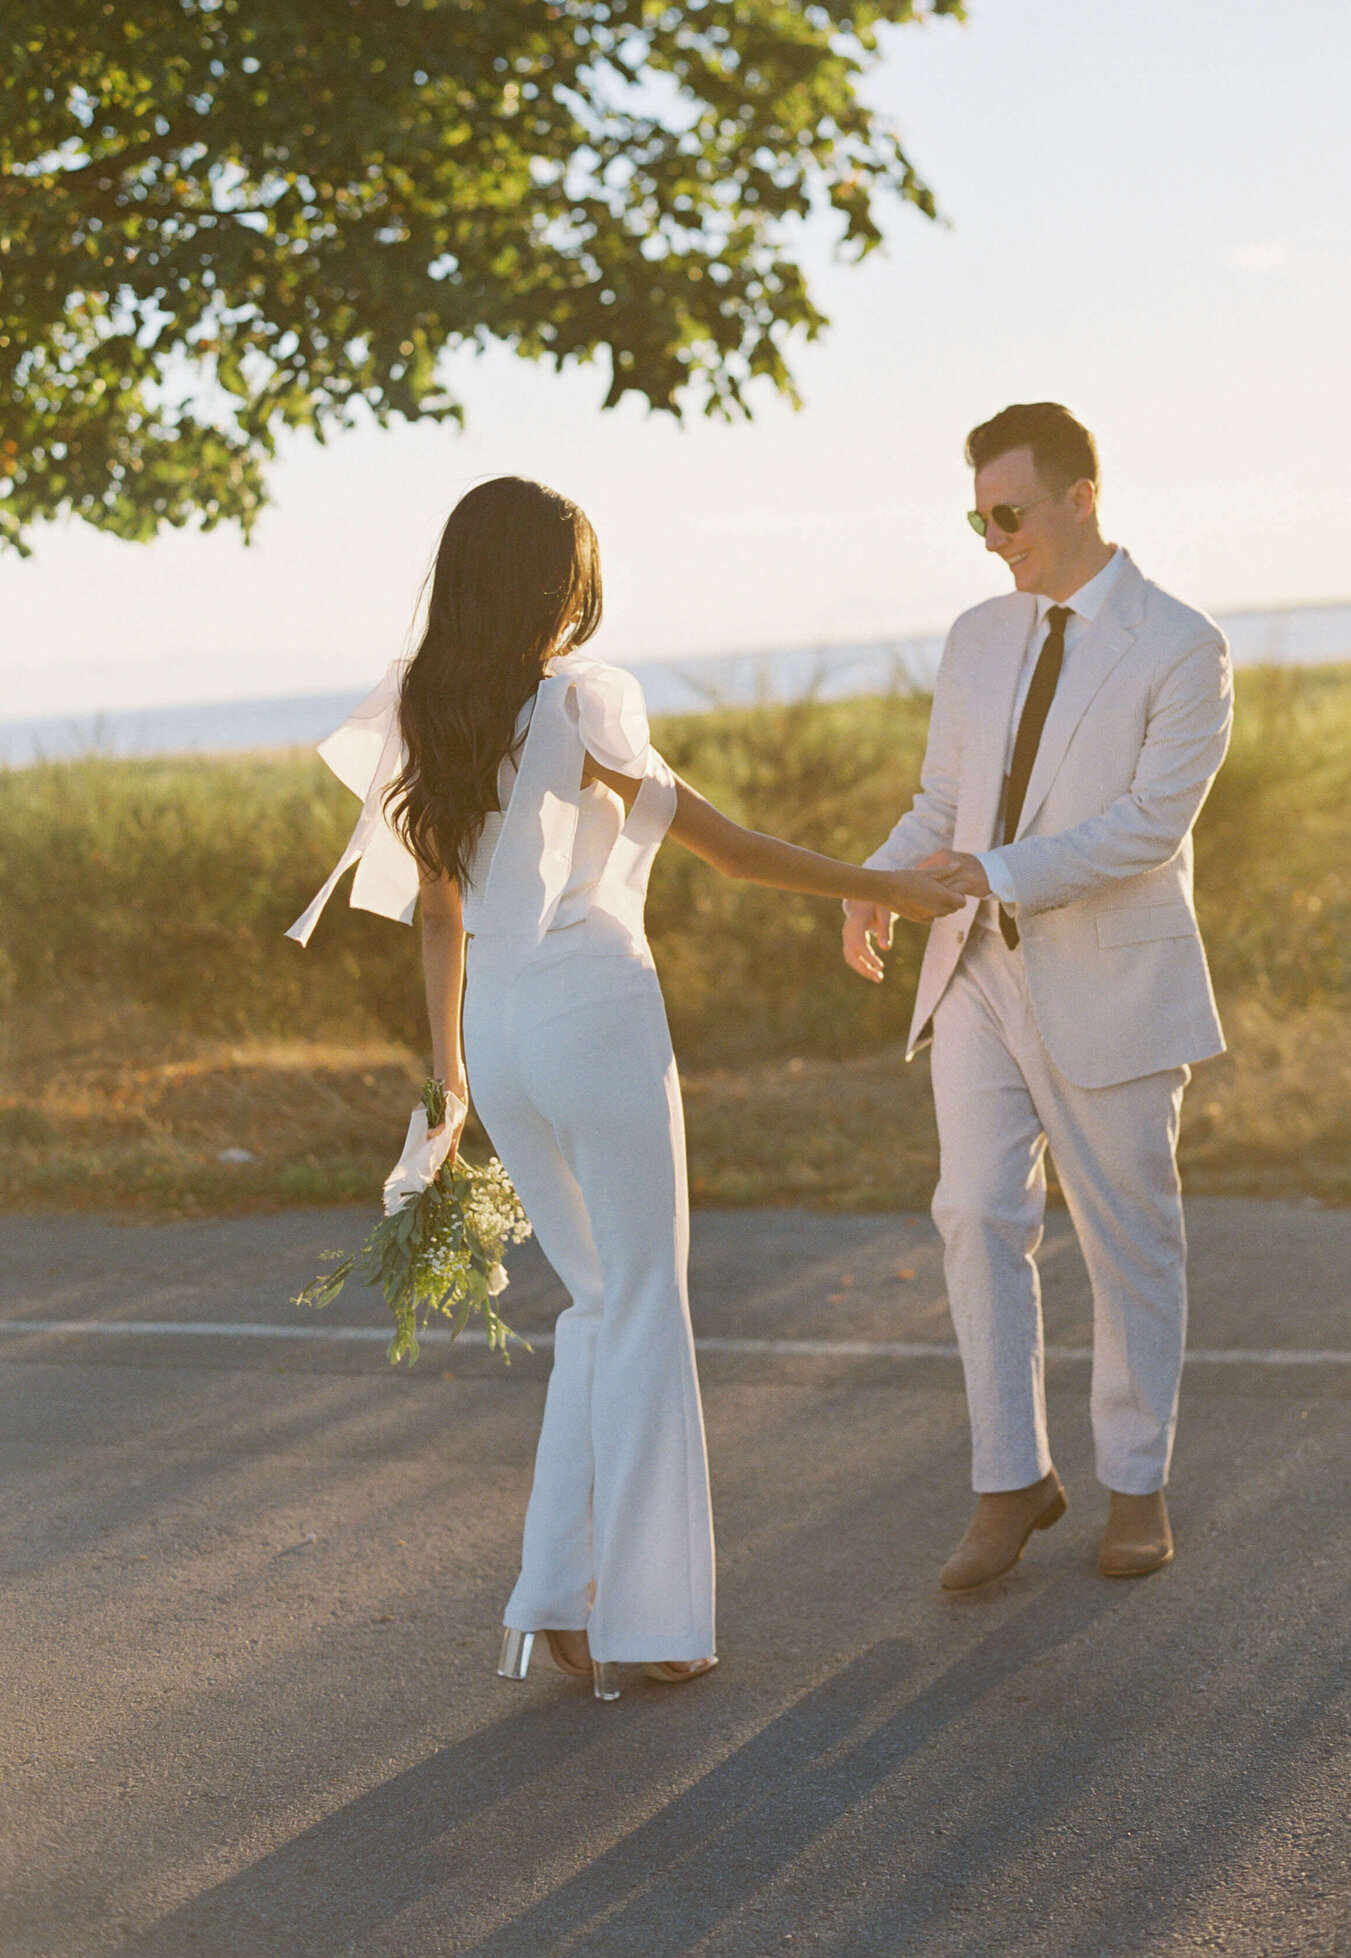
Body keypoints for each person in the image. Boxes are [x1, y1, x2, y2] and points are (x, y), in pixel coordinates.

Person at [291, 476, 960, 1699]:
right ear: (563, 585)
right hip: (593, 1008)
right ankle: (650, 1620)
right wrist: (903, 889)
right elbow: (736, 851)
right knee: (642, 1300)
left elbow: (440, 912)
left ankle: (561, 1597)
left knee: (597, 1304)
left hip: (496, 1028)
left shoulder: (431, 710)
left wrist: (445, 1078)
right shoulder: (582, 702)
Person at [842, 402, 1232, 1591]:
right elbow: (945, 799)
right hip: (972, 967)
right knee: (972, 1211)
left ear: (1081, 496)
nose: (991, 536)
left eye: (1006, 513)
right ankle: (1010, 1477)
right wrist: (875, 882)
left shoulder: (1179, 644)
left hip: (1109, 974)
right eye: (977, 516)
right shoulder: (974, 635)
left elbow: (1150, 828)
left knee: (1129, 1234)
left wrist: (999, 873)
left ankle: (1136, 1484)